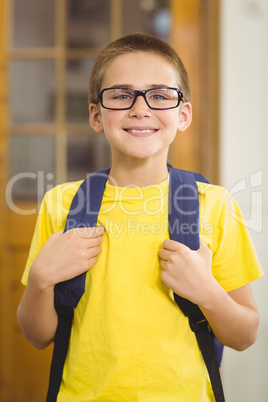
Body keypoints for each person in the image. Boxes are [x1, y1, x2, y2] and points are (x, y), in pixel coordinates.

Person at [17, 33, 263, 401]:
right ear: (96, 115)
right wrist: (39, 279)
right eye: (121, 95)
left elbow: (244, 335)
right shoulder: (62, 204)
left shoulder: (213, 205)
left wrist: (207, 292)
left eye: (160, 95)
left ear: (183, 115)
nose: (140, 108)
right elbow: (38, 336)